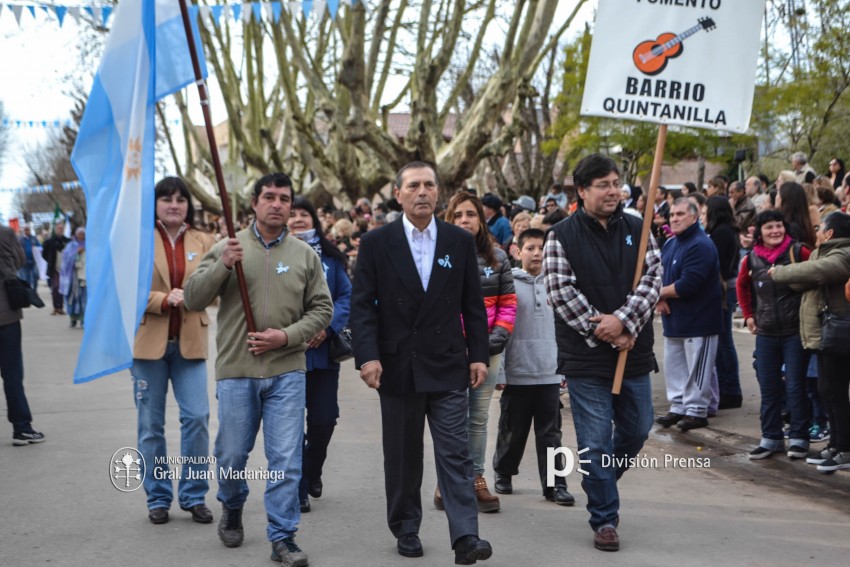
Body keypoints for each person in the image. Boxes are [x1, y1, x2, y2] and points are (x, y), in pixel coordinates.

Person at [183, 172, 333, 566]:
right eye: (269, 197)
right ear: (254, 203)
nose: (277, 204)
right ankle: (232, 505)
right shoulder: (228, 247)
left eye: (284, 198)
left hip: (287, 371)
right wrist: (222, 266)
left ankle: (283, 536)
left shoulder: (304, 255)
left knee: (286, 460)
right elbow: (193, 299)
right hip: (238, 371)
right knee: (232, 455)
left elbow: (323, 309)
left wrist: (285, 337)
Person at [350, 161, 493, 564]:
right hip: (398, 365)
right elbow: (362, 307)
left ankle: (466, 536)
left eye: (429, 184)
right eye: (413, 186)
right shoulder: (377, 242)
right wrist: (368, 357)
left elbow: (473, 305)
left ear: (438, 192)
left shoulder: (457, 241)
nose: (423, 192)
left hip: (447, 362)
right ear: (398, 194)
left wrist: (478, 355)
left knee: (455, 453)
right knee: (403, 455)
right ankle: (406, 526)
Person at [543, 154, 661, 552]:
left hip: (634, 353)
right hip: (586, 356)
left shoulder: (639, 228)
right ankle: (605, 518)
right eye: (603, 185)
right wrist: (608, 332)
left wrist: (625, 323)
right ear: (582, 191)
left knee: (638, 428)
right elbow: (560, 291)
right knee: (595, 442)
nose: (613, 191)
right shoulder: (561, 235)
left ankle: (600, 478)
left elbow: (652, 279)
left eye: (616, 183)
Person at [131, 177, 216, 525]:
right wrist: (162, 300)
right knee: (150, 426)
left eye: (181, 199)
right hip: (147, 345)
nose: (174, 205)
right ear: (155, 204)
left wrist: (197, 292)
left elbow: (215, 289)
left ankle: (194, 495)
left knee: (197, 417)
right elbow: (126, 288)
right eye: (167, 198)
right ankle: (158, 497)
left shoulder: (204, 240)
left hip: (190, 343)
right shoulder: (137, 239)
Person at [439, 191, 516, 513]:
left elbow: (508, 304)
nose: (464, 220)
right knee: (450, 418)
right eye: (457, 215)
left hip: (488, 351)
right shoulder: (439, 255)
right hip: (448, 351)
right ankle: (447, 481)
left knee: (479, 417)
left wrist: (491, 343)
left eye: (470, 214)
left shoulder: (498, 257)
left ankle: (476, 477)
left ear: (481, 220)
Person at [493, 228, 575, 506]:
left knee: (551, 434)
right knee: (512, 430)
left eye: (541, 248)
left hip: (549, 372)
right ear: (517, 251)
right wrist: (500, 370)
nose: (537, 253)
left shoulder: (558, 285)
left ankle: (556, 485)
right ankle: (504, 472)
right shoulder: (510, 285)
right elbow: (501, 330)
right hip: (517, 372)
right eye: (530, 248)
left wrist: (565, 367)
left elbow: (566, 330)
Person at [771, 212, 850, 472]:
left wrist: (780, 272)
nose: (816, 232)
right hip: (824, 333)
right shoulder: (821, 253)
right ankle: (835, 446)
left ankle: (844, 449)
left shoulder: (843, 254)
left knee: (836, 392)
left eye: (820, 228)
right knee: (827, 390)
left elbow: (816, 272)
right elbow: (804, 280)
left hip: (839, 333)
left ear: (830, 233)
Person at [287, 196, 352, 514]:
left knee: (324, 420)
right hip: (287, 355)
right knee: (290, 425)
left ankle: (313, 470)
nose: (298, 219)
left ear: (315, 220)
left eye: (304, 213)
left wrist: (326, 328)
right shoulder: (276, 254)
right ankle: (298, 488)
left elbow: (345, 297)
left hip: (323, 355)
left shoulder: (331, 258)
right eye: (292, 214)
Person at [737, 210, 812, 459]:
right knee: (769, 387)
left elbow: (817, 277)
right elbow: (742, 286)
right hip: (766, 333)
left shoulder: (798, 252)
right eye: (769, 227)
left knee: (795, 386)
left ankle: (800, 438)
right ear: (760, 232)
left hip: (795, 332)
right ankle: (771, 438)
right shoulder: (751, 259)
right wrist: (748, 315)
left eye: (779, 226)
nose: (775, 231)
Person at [656, 198, 723, 432]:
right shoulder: (670, 244)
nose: (674, 219)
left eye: (680, 214)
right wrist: (659, 297)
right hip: (674, 318)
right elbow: (659, 275)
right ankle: (678, 406)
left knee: (697, 369)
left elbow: (688, 285)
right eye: (672, 215)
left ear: (694, 217)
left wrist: (657, 293)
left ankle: (696, 410)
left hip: (699, 320)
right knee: (674, 366)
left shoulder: (700, 245)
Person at [1, 225, 45, 446]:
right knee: (12, 375)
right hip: (5, 315)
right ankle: (22, 428)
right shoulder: (5, 233)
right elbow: (19, 260)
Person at [704, 196, 742, 409]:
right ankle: (729, 388)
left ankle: (730, 389)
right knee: (724, 339)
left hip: (724, 287)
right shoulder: (729, 230)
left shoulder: (721, 232)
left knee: (723, 340)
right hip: (729, 285)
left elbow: (716, 263)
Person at [777, 182, 817, 249]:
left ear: (785, 197)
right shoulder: (802, 224)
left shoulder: (791, 228)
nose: (776, 197)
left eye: (778, 194)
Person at [59, 227, 86, 328]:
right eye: (80, 234)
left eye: (83, 234)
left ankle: (83, 319)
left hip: (84, 277)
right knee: (72, 298)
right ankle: (73, 318)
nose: (81, 236)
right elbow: (65, 259)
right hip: (72, 277)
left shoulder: (88, 245)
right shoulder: (70, 246)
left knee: (83, 298)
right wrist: (76, 253)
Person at [41, 220, 69, 315]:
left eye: (62, 228)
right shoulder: (49, 242)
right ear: (56, 229)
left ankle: (60, 307)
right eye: (59, 228)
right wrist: (50, 261)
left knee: (62, 288)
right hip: (54, 269)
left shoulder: (67, 241)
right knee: (55, 287)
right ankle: (55, 307)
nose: (60, 230)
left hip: (65, 269)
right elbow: (44, 254)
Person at [17, 225, 39, 290]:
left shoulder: (34, 238)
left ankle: (34, 290)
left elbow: (39, 246)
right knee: (27, 278)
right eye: (25, 230)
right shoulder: (20, 239)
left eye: (28, 229)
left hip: (33, 261)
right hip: (24, 263)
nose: (27, 231)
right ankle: (29, 291)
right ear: (23, 231)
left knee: (35, 276)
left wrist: (37, 248)